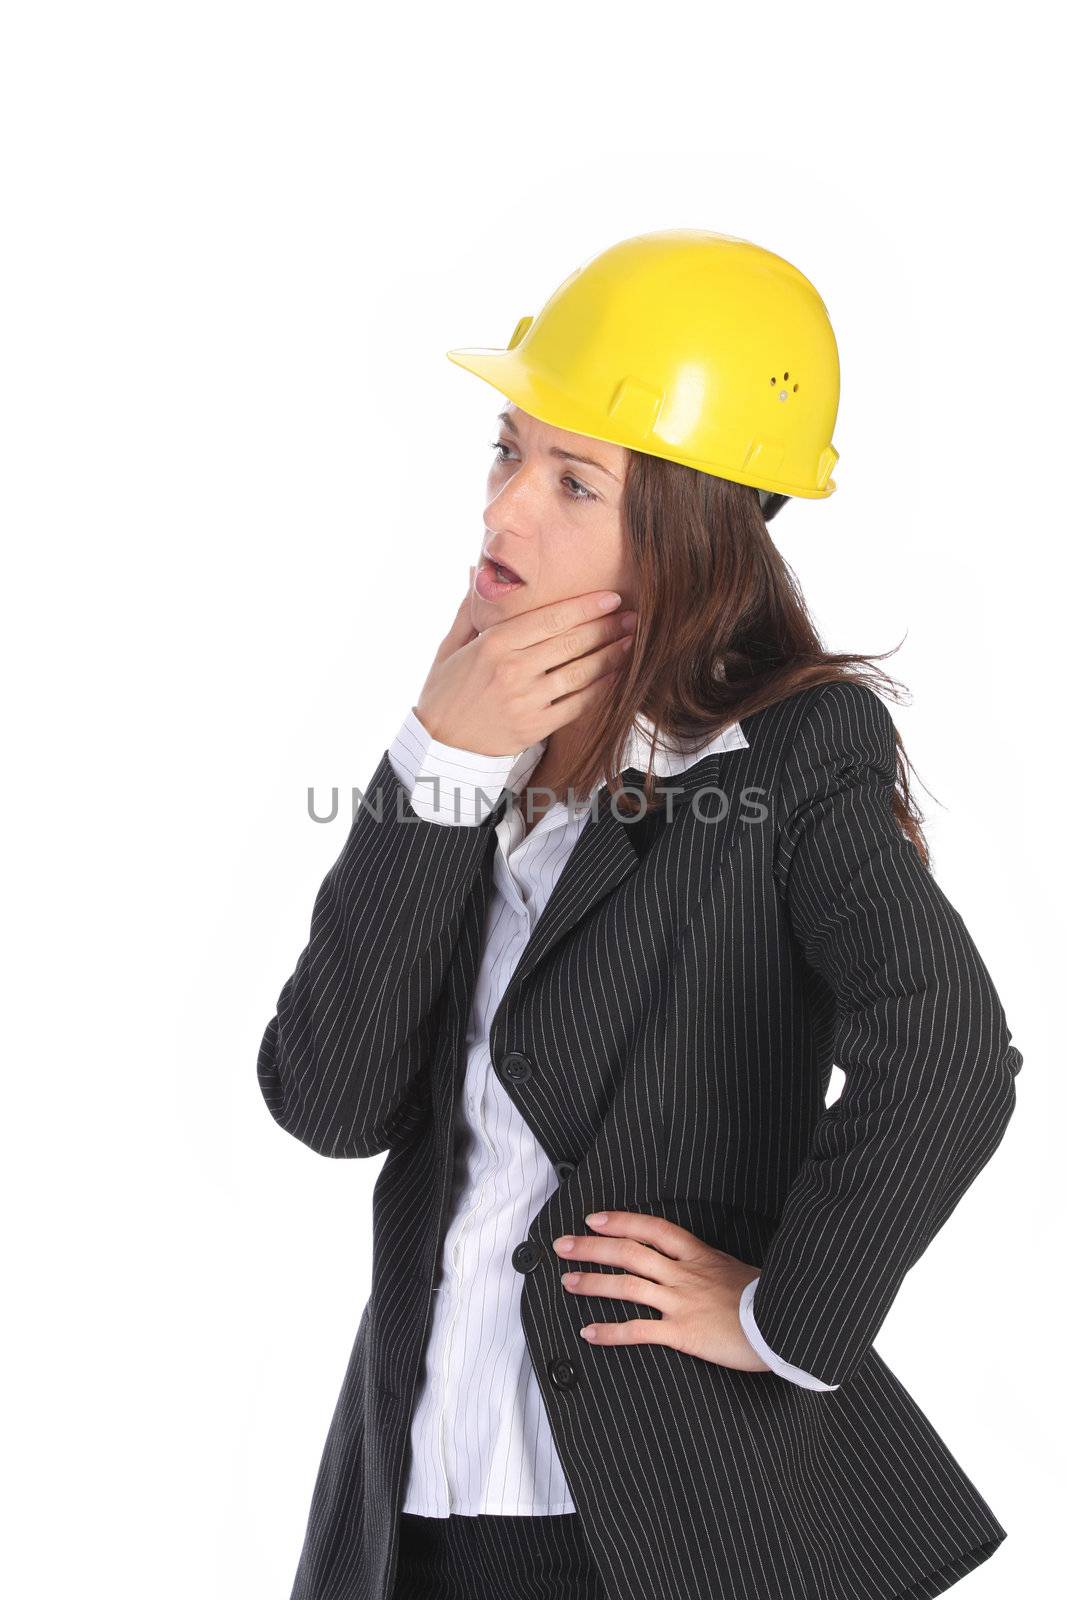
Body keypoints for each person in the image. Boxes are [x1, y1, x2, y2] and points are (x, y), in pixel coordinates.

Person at [258, 230, 1024, 1600]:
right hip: (413, 1513)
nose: (502, 515)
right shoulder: (476, 751)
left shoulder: (792, 756)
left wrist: (788, 1314)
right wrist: (439, 757)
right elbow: (328, 1100)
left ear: (692, 519)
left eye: (573, 480)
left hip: (658, 1523)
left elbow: (947, 1051)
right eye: (505, 453)